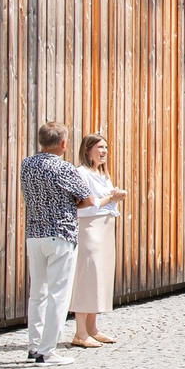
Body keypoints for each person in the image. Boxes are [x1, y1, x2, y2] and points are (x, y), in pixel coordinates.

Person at [20, 121, 98, 365]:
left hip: (34, 234)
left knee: (37, 294)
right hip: (60, 234)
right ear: (64, 144)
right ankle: (47, 350)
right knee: (58, 295)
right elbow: (87, 200)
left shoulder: (26, 165)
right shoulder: (64, 168)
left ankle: (34, 346)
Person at [67, 132, 128, 347]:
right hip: (90, 228)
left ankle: (92, 328)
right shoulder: (81, 173)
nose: (104, 151)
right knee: (87, 276)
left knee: (99, 276)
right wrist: (111, 198)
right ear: (87, 149)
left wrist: (114, 195)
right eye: (99, 147)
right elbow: (84, 204)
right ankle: (80, 332)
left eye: (106, 147)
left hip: (105, 226)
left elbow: (104, 200)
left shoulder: (102, 174)